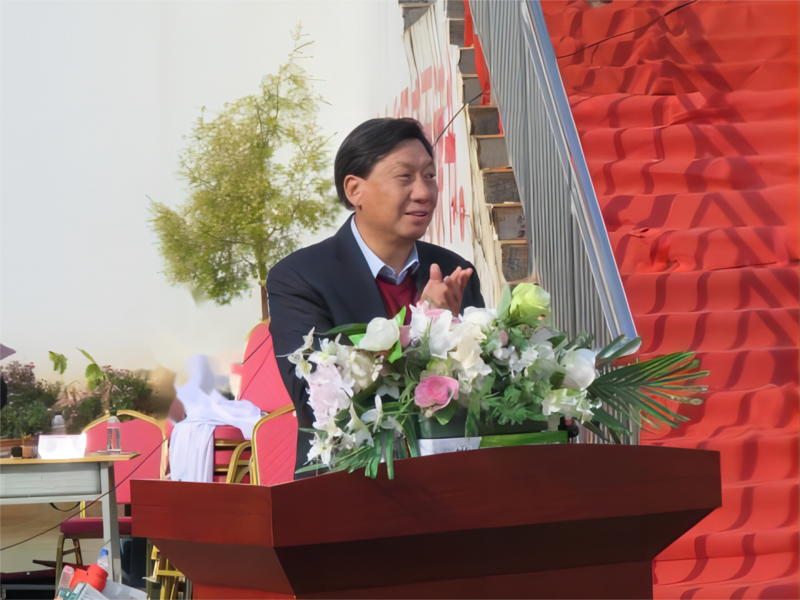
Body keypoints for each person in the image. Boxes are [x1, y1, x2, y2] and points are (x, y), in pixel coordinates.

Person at [268, 118, 485, 477]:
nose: (424, 192)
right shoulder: (300, 277)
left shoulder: (454, 271)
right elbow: (316, 397)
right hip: (347, 483)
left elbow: (486, 384)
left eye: (430, 175)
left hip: (453, 479)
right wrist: (427, 324)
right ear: (355, 189)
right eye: (405, 177)